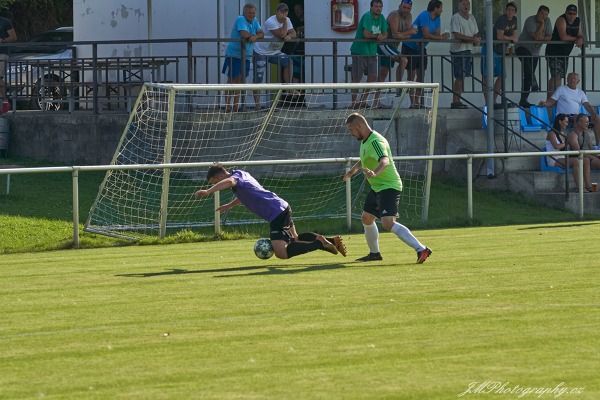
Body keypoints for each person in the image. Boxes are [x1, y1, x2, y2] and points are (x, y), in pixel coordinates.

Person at [194, 163, 347, 259]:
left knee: (282, 253)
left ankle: (319, 244)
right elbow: (247, 195)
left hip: (276, 213)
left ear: (220, 175)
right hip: (281, 207)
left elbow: (228, 182)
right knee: (296, 238)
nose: (217, 184)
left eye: (215, 182)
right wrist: (229, 205)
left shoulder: (233, 178)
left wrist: (208, 191)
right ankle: (332, 241)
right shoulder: (241, 174)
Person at [343, 113, 432, 264]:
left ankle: (421, 249)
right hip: (377, 187)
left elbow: (384, 161)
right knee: (366, 218)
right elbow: (365, 158)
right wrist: (353, 170)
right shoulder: (365, 141)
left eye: (352, 130)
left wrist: (374, 172)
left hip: (389, 186)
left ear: (359, 126)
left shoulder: (376, 141)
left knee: (387, 223)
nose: (351, 133)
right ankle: (374, 254)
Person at [401, 0, 448, 108]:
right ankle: (412, 103)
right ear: (435, 8)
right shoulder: (424, 15)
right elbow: (427, 34)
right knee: (411, 76)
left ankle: (417, 101)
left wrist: (438, 36)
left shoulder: (437, 18)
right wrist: (440, 37)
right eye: (441, 7)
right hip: (410, 46)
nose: (442, 10)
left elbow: (436, 34)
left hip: (421, 48)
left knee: (421, 76)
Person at [253, 3, 297, 110]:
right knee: (258, 78)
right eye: (282, 11)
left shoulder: (288, 20)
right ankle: (257, 105)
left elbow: (294, 32)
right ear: (277, 12)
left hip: (274, 52)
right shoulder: (270, 21)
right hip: (260, 52)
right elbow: (281, 34)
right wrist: (286, 25)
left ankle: (289, 87)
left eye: (286, 11)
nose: (284, 14)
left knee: (288, 62)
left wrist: (290, 36)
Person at [221, 3, 263, 112]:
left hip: (246, 56)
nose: (252, 15)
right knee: (232, 80)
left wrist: (255, 37)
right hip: (234, 55)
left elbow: (261, 33)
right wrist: (251, 36)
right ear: (244, 13)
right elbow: (244, 33)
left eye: (253, 13)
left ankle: (236, 106)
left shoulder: (255, 20)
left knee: (240, 80)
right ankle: (227, 105)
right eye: (249, 13)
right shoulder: (240, 19)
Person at [539, 72, 600, 145]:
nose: (572, 80)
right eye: (570, 78)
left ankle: (598, 144)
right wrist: (545, 104)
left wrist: (594, 114)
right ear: (567, 79)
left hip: (577, 117)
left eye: (574, 78)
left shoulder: (580, 92)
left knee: (597, 119)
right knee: (577, 117)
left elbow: (587, 105)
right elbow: (552, 100)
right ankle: (579, 141)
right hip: (564, 116)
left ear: (578, 81)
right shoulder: (561, 89)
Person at [374, 0, 417, 104]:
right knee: (403, 60)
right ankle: (399, 86)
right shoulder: (394, 15)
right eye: (404, 7)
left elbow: (405, 36)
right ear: (400, 6)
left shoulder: (409, 16)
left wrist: (404, 34)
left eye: (408, 8)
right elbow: (394, 35)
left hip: (392, 47)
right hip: (384, 45)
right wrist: (409, 32)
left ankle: (375, 102)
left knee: (383, 74)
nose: (406, 10)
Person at [349, 0, 388, 109]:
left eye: (380, 6)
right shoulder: (367, 16)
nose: (378, 8)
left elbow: (385, 32)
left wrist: (382, 36)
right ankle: (353, 103)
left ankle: (362, 101)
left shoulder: (381, 18)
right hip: (359, 51)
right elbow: (366, 34)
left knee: (373, 77)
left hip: (371, 52)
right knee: (357, 77)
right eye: (376, 6)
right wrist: (377, 36)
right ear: (371, 7)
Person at [481, 1, 518, 110]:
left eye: (512, 10)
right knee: (487, 76)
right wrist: (511, 38)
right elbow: (500, 36)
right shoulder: (502, 19)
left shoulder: (514, 20)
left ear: (515, 12)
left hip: (500, 51)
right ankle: (488, 103)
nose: (510, 11)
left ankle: (493, 100)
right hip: (490, 49)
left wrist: (511, 38)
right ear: (505, 10)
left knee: (502, 76)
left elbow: (515, 35)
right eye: (508, 9)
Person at [515, 5, 552, 108]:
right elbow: (535, 36)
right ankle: (534, 81)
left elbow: (550, 37)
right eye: (542, 14)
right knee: (528, 66)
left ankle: (523, 100)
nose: (544, 16)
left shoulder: (547, 21)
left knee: (528, 74)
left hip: (535, 52)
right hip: (522, 47)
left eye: (546, 14)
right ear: (538, 12)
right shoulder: (530, 20)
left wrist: (542, 37)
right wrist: (541, 24)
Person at [545, 4, 583, 99]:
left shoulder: (578, 21)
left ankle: (555, 100)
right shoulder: (561, 19)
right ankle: (550, 102)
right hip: (553, 52)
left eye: (574, 14)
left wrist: (581, 38)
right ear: (566, 13)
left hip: (565, 53)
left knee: (560, 77)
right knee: (556, 77)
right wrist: (577, 39)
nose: (572, 16)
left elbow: (580, 34)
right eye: (569, 13)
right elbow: (563, 37)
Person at [545, 113, 591, 190]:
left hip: (562, 157)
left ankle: (588, 186)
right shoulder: (551, 133)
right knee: (576, 161)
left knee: (586, 160)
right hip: (553, 159)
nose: (567, 124)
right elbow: (556, 146)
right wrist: (567, 143)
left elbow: (564, 146)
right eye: (566, 122)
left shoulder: (562, 133)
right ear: (560, 121)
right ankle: (579, 187)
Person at [449, 0, 480, 109]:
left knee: (463, 77)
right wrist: (472, 39)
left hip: (468, 50)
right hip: (458, 51)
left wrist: (475, 38)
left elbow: (476, 32)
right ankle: (455, 101)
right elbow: (457, 35)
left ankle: (458, 100)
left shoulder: (472, 17)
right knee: (459, 76)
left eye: (468, 4)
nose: (466, 6)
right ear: (459, 5)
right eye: (464, 4)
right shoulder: (455, 17)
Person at [566, 114, 600, 191]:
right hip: (579, 158)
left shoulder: (586, 133)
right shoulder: (572, 134)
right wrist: (594, 157)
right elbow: (578, 152)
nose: (588, 124)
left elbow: (592, 149)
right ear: (579, 122)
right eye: (586, 122)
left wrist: (597, 155)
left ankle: (589, 186)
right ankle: (588, 186)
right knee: (595, 162)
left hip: (589, 158)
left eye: (588, 122)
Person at [0, 15, 17, 105]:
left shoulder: (5, 21)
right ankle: (4, 100)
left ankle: (4, 100)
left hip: (2, 53)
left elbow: (13, 37)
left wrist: (2, 40)